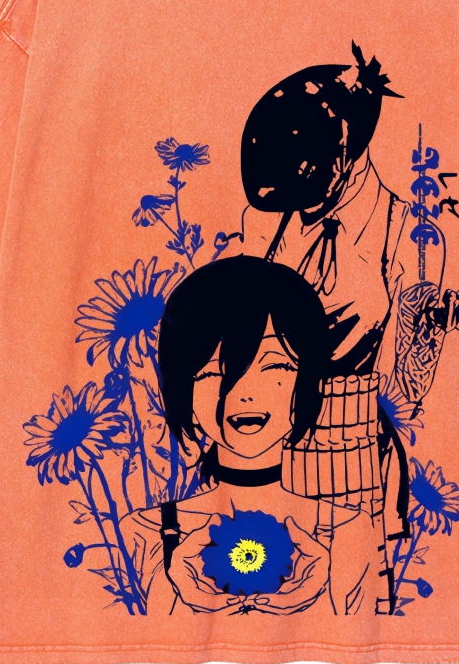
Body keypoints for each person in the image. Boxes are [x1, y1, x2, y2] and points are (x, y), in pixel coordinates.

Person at [235, 43, 459, 563]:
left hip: (348, 458)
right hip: (256, 447)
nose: (296, 210)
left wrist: (428, 328)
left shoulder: (411, 237)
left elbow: (404, 393)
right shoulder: (264, 223)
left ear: (346, 154)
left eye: (306, 192)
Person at [118, 256, 387, 615]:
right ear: (185, 392)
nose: (244, 393)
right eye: (214, 372)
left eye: (275, 365)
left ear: (308, 379)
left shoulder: (348, 531)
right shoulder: (143, 532)